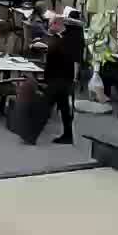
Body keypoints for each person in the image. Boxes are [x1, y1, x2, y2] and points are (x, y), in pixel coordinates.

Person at [42, 14, 80, 145]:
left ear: (58, 24)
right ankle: (68, 135)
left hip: (59, 78)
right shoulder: (64, 38)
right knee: (64, 108)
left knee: (46, 105)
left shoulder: (64, 40)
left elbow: (57, 59)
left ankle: (31, 131)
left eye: (51, 24)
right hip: (63, 78)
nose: (49, 27)